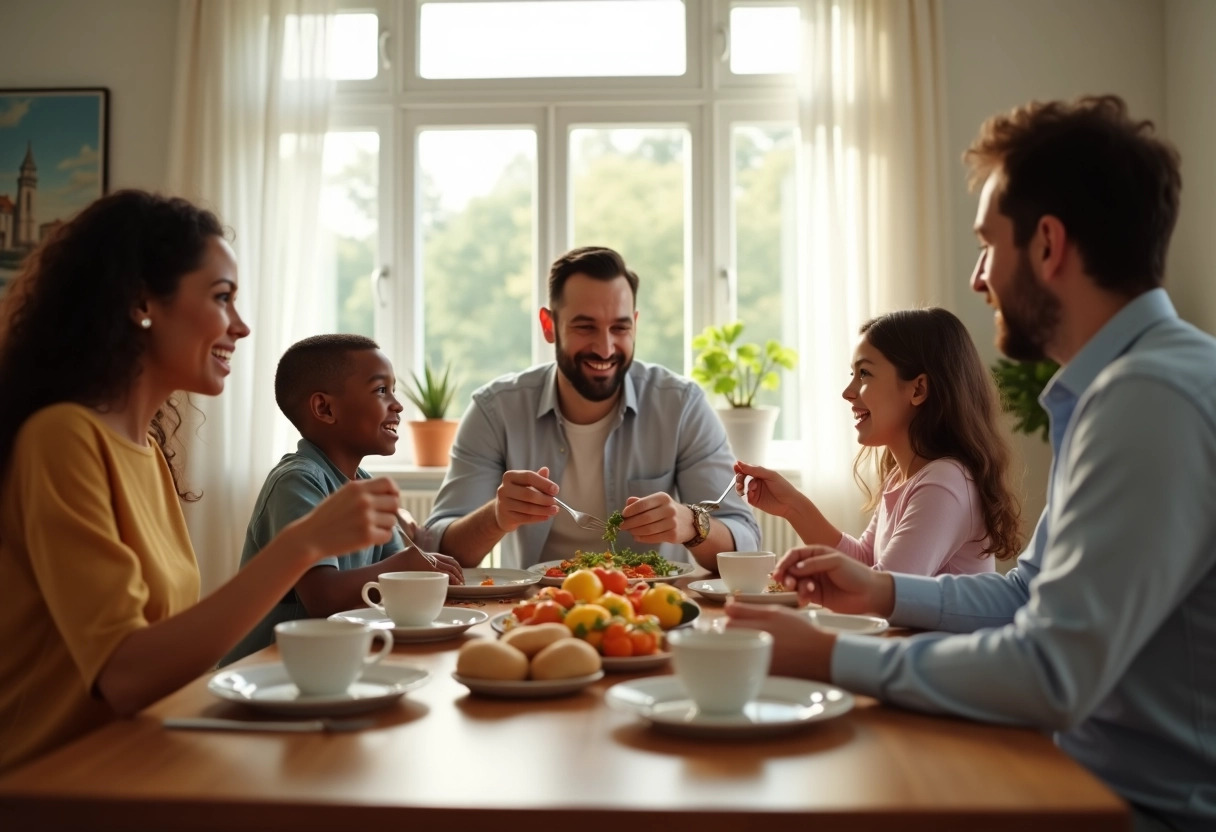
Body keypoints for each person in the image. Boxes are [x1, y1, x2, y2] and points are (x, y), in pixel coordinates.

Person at [725, 95, 1216, 832]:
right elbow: (1025, 594)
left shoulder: (1151, 397)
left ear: (1048, 246)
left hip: (1134, 810)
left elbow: (1051, 672)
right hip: (1075, 782)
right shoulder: (1128, 386)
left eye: (989, 244)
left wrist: (828, 658)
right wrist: (883, 588)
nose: (978, 278)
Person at [0, 191, 401, 773]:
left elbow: (168, 660)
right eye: (221, 298)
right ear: (143, 302)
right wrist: (304, 543)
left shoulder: (148, 453)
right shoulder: (63, 438)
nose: (240, 326)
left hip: (144, 756)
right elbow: (126, 675)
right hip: (62, 781)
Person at [426, 245, 760, 571]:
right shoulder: (495, 410)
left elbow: (745, 542)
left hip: (655, 610)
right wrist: (497, 516)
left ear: (635, 324)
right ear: (548, 326)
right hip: (538, 609)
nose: (604, 348)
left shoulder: (681, 405)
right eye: (585, 327)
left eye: (620, 327)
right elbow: (436, 552)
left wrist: (692, 525)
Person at [220, 334, 464, 665]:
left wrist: (418, 570)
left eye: (393, 389)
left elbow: (394, 576)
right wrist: (406, 565)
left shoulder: (365, 487)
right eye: (381, 390)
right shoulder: (298, 481)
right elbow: (323, 597)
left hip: (333, 663)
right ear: (325, 408)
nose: (397, 404)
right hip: (269, 670)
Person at [736, 307, 1021, 576]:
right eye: (853, 374)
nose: (848, 392)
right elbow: (865, 562)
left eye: (864, 374)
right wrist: (792, 506)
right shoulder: (903, 476)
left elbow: (883, 590)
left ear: (918, 388)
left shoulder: (944, 482)